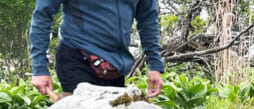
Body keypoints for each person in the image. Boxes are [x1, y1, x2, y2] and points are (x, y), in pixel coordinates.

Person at [29, 0, 164, 99]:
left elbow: (148, 19)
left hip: (115, 66)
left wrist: (155, 66)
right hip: (77, 56)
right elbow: (42, 15)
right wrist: (39, 68)